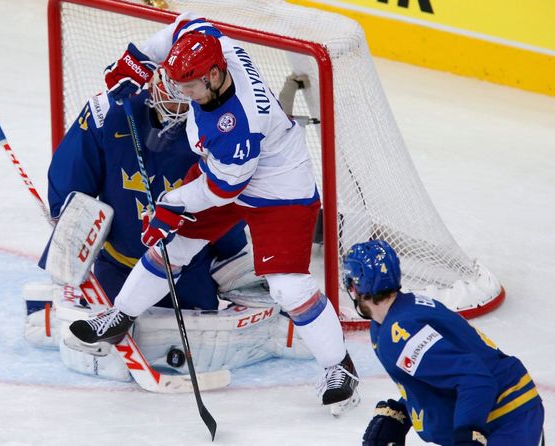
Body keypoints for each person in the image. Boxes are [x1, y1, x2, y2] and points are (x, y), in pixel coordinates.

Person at [67, 13, 359, 414]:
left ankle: (338, 366)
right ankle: (120, 315)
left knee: (288, 288)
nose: (182, 92)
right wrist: (136, 59)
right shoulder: (210, 44)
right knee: (172, 246)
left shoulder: (239, 123)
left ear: (215, 76)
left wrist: (172, 204)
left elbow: (223, 190)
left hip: (279, 192)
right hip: (220, 170)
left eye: (189, 85)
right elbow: (186, 23)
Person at [46, 68, 248, 311]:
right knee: (100, 336)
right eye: (175, 86)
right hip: (116, 268)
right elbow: (72, 179)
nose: (181, 98)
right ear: (154, 79)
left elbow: (227, 197)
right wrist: (66, 222)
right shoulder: (107, 111)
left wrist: (233, 257)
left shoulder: (222, 126)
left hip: (189, 271)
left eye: (190, 87)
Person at [342, 240, 545, 446]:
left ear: (355, 287)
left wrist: (468, 435)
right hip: (499, 412)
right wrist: (403, 411)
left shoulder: (399, 333)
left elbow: (475, 379)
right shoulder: (399, 315)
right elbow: (439, 372)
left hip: (508, 419)